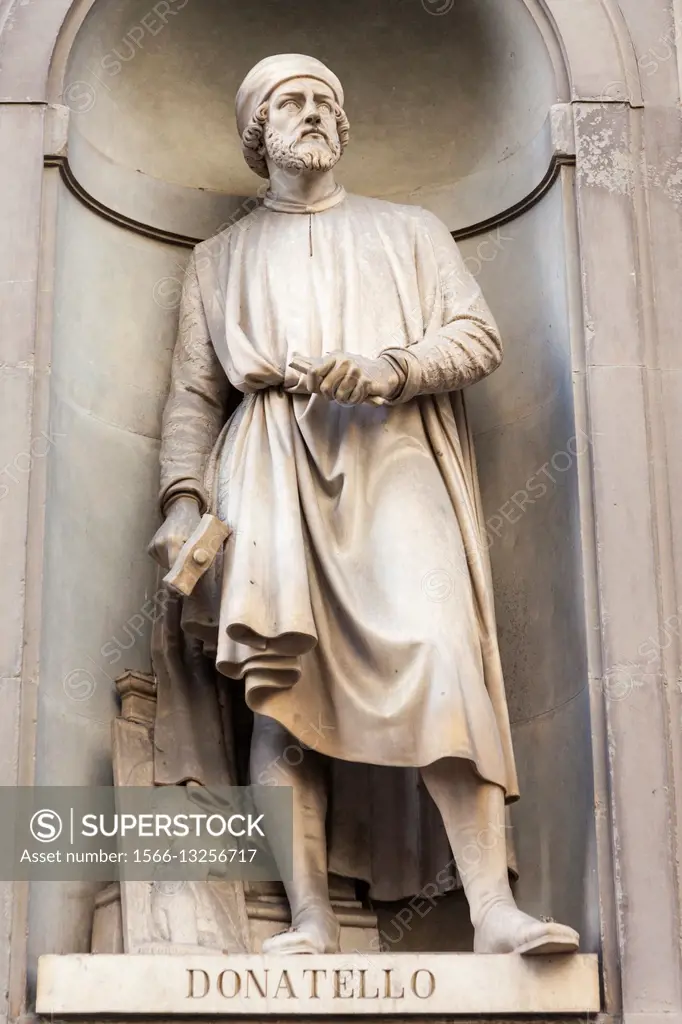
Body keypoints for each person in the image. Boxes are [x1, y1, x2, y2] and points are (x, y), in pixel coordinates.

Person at [148, 53, 579, 957]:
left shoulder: (410, 231)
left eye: (324, 102)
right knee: (278, 684)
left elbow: (477, 335)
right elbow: (193, 394)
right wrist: (183, 500)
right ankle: (310, 916)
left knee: (441, 649)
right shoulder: (217, 259)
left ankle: (491, 907)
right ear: (257, 134)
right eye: (289, 103)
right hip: (264, 463)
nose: (311, 114)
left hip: (390, 452)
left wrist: (391, 368)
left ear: (343, 126)